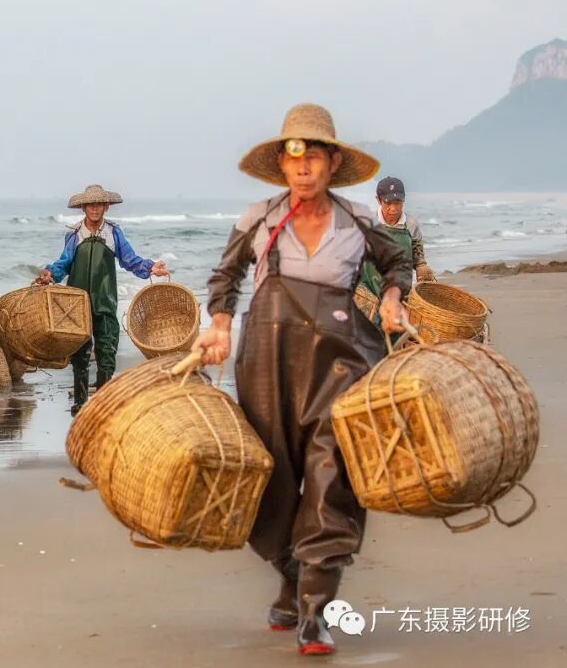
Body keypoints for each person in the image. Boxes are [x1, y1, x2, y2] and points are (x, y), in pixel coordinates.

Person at [192, 104, 412, 656]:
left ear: (333, 162)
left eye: (315, 157)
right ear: (283, 166)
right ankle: (291, 575)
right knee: (270, 475)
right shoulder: (259, 218)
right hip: (267, 360)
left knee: (330, 472)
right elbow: (227, 276)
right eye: (296, 159)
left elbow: (397, 265)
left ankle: (315, 610)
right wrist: (218, 325)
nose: (305, 169)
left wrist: (391, 299)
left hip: (340, 360)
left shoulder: (358, 219)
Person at [35, 185, 169, 414]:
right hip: (77, 305)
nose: (94, 209)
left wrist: (151, 268)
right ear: (83, 208)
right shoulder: (74, 235)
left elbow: (130, 260)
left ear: (106, 207)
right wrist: (49, 274)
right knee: (80, 353)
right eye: (90, 205)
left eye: (98, 204)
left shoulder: (114, 232)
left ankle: (103, 405)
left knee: (107, 349)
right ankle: (79, 404)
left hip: (105, 301)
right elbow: (63, 264)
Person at [360, 176, 436, 297]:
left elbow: (417, 249)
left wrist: (421, 265)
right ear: (378, 200)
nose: (394, 209)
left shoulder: (411, 224)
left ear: (404, 200)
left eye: (398, 202)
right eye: (388, 203)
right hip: (368, 292)